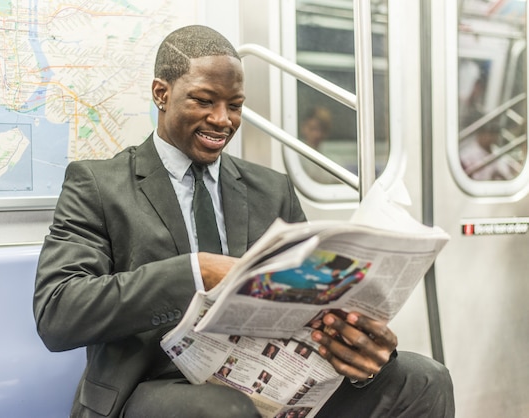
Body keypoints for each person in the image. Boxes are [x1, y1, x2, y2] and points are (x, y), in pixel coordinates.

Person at [34, 25, 454, 418]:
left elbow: (309, 301)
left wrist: (358, 349)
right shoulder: (98, 184)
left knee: (423, 379)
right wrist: (196, 272)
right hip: (152, 387)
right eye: (204, 101)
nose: (223, 120)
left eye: (235, 106)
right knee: (228, 409)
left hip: (272, 378)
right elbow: (59, 312)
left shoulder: (271, 189)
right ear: (161, 94)